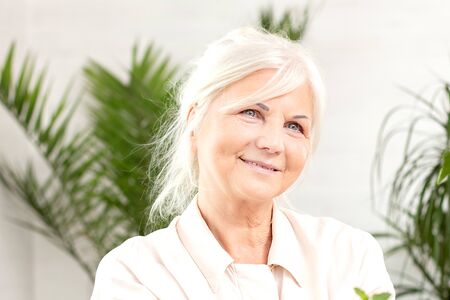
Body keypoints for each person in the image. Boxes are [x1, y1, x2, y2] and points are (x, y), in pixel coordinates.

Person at [90, 27, 395, 300]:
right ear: (194, 119)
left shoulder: (348, 255)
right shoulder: (136, 274)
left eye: (294, 126)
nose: (273, 143)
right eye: (251, 113)